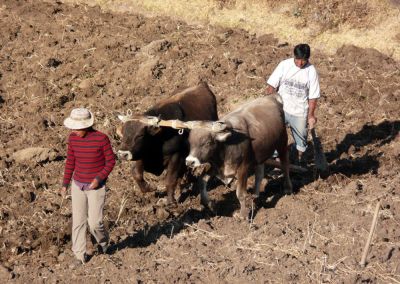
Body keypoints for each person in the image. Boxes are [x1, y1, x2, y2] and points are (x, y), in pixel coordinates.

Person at [61, 108, 116, 267]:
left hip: (95, 187)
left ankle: (103, 242)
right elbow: (70, 162)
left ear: (86, 126)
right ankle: (79, 255)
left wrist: (99, 179)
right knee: (78, 222)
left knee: (94, 223)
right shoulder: (72, 139)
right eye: (73, 128)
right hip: (77, 185)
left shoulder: (101, 139)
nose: (74, 131)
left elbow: (111, 161)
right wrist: (65, 184)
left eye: (77, 128)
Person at [265, 43, 320, 164]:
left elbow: (313, 97)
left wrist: (311, 115)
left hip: (299, 112)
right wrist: (270, 106)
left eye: (304, 60)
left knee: (301, 143)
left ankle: (297, 160)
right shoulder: (284, 65)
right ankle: (275, 160)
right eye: (298, 59)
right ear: (294, 56)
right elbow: (271, 86)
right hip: (281, 109)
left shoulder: (311, 71)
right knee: (274, 137)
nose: (300, 63)